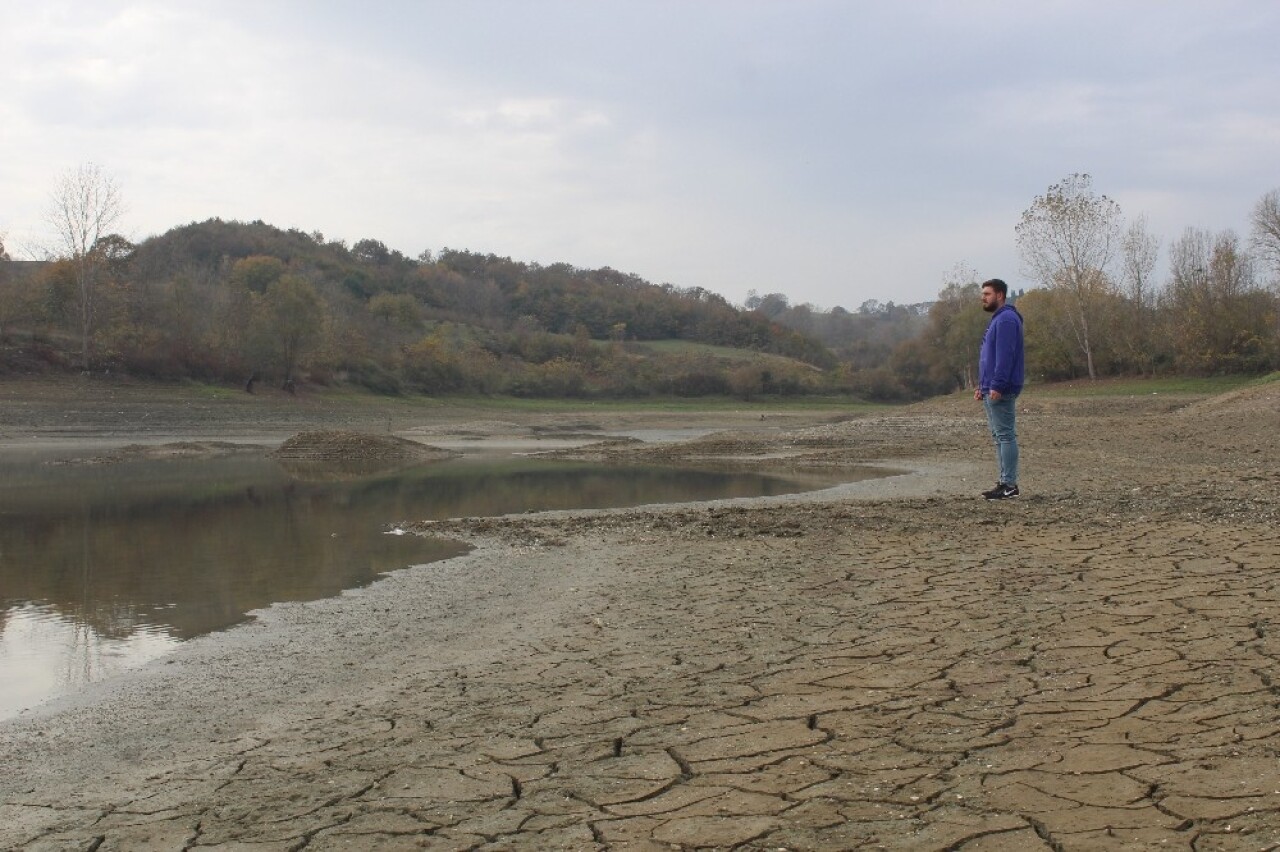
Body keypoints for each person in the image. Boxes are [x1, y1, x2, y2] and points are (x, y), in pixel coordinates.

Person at [974, 278, 1024, 499]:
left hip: (1001, 388)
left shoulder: (1006, 320)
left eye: (987, 294)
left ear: (1000, 295)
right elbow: (989, 357)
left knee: (1005, 435)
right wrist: (982, 385)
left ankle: (1009, 485)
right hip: (991, 387)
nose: (983, 297)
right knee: (999, 436)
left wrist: (997, 385)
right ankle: (1004, 482)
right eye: (983, 294)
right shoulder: (998, 320)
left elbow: (1005, 356)